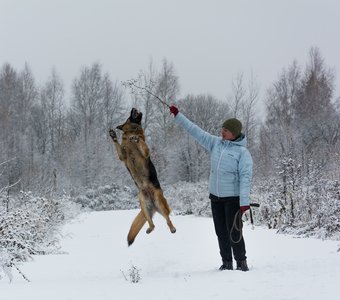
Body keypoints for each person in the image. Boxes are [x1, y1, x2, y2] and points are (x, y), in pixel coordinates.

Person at [169, 105, 253, 271]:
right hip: (216, 197)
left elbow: (245, 178)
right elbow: (196, 131)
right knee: (220, 232)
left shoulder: (242, 153)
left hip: (233, 199)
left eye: (226, 130)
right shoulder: (216, 144)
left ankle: (241, 262)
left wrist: (244, 202)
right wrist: (178, 115)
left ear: (234, 134)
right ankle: (227, 263)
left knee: (234, 232)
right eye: (222, 128)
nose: (222, 132)